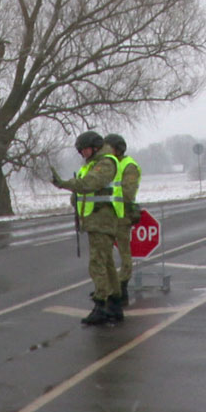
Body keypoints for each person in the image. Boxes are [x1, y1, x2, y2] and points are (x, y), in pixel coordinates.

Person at [51, 131, 125, 325]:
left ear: (94, 147)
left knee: (97, 263)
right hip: (96, 220)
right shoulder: (94, 164)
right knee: (106, 263)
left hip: (103, 220)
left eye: (83, 149)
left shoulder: (106, 163)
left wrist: (65, 184)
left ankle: (101, 304)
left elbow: (89, 184)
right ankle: (115, 304)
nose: (82, 153)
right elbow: (84, 189)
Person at [103, 133, 141, 307]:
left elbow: (127, 193)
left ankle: (123, 286)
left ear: (118, 149)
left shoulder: (128, 166)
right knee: (104, 254)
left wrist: (105, 196)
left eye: (108, 147)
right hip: (106, 216)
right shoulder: (107, 165)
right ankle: (109, 289)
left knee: (124, 253)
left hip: (122, 215)